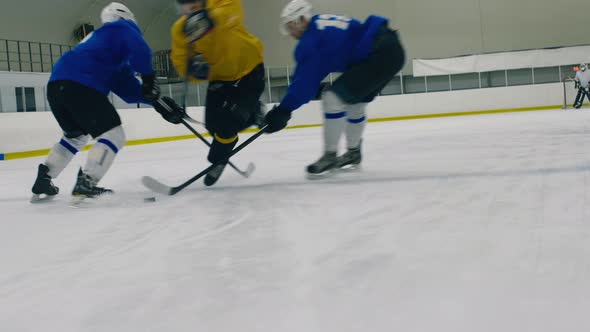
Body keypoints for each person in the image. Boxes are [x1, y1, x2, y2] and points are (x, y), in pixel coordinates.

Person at [30, 2, 184, 203]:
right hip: (80, 85)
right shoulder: (121, 28)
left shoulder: (102, 47)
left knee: (75, 136)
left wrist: (158, 103)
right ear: (125, 17)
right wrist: (149, 78)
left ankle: (44, 178)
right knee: (113, 133)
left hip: (56, 87)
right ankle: (87, 181)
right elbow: (140, 48)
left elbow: (127, 88)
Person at [264, 0, 406, 178]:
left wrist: (283, 110)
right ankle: (353, 153)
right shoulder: (321, 25)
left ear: (301, 19)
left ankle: (330, 156)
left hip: (379, 54)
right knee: (355, 103)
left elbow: (302, 87)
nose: (290, 32)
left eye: (290, 26)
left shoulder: (310, 42)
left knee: (332, 98)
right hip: (391, 49)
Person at [171, 0, 266, 186]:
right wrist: (193, 70)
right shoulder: (180, 29)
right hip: (220, 78)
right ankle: (253, 112)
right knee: (213, 126)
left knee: (227, 125)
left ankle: (218, 160)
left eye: (196, 4)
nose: (192, 9)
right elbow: (180, 60)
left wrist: (210, 19)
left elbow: (233, 12)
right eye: (187, 6)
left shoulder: (219, 5)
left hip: (249, 69)